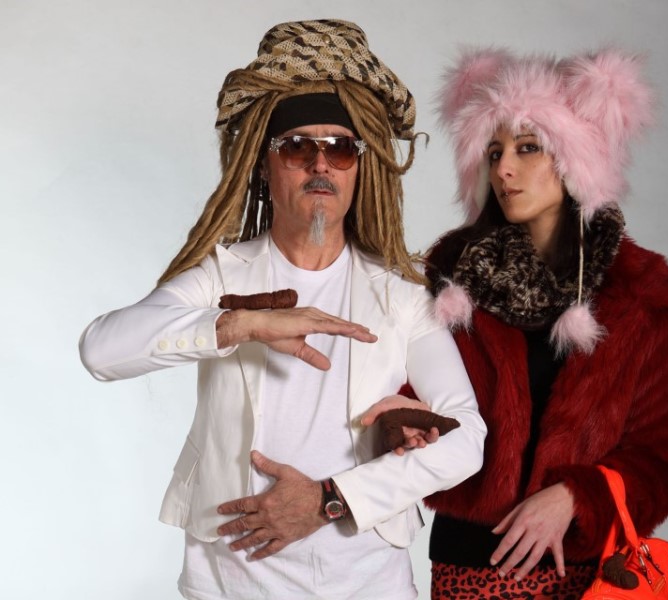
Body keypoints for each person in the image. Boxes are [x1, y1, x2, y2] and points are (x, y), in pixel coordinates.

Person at [79, 19, 486, 600]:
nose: (320, 164)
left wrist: (329, 499)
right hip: (229, 582)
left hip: (369, 584)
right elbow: (101, 350)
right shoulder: (221, 278)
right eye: (296, 146)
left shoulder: (399, 297)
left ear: (359, 169)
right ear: (264, 166)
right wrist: (241, 324)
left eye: (340, 148)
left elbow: (467, 438)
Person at [415, 48, 668, 598]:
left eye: (528, 148)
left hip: (587, 576)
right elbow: (415, 403)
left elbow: (662, 462)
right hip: (467, 568)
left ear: (577, 160)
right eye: (493, 152)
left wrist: (576, 495)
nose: (503, 169)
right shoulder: (453, 281)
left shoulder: (647, 299)